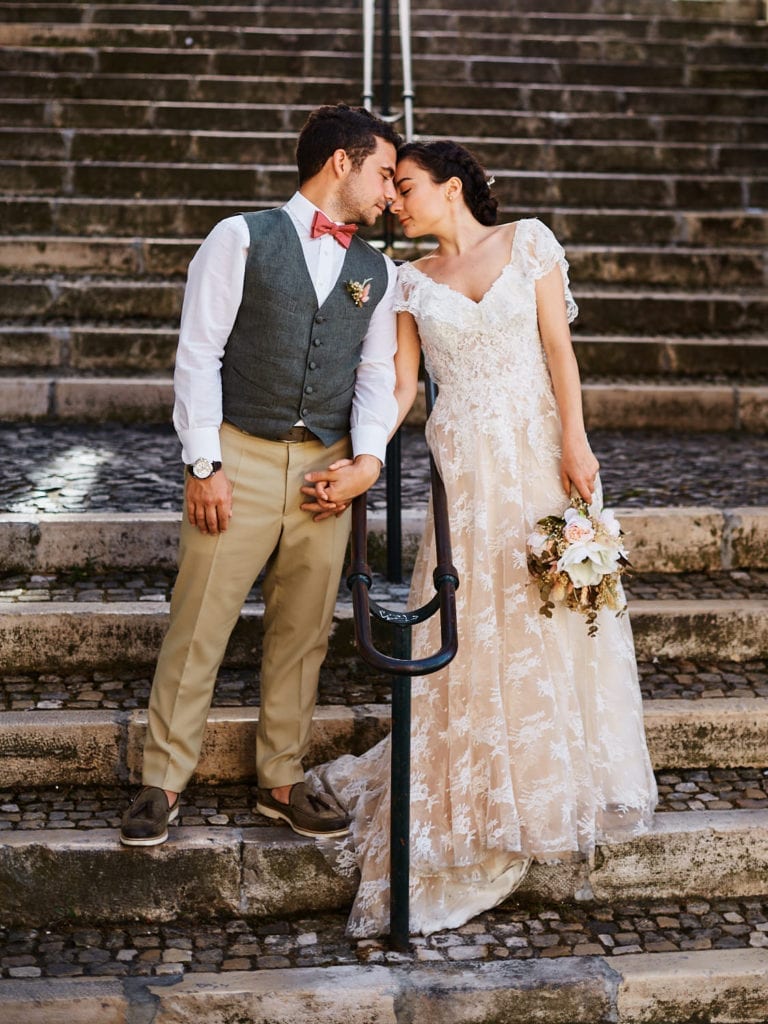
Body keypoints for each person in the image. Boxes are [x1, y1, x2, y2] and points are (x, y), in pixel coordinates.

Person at [311, 140, 658, 937]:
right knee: (476, 621)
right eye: (390, 188)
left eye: (406, 187)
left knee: (548, 609)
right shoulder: (407, 282)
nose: (394, 200)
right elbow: (401, 386)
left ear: (452, 187)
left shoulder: (528, 241)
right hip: (465, 468)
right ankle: (477, 788)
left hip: (537, 454)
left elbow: (558, 351)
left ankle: (546, 779)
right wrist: (366, 462)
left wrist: (576, 440)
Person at [120, 104, 402, 848]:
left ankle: (281, 780)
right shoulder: (240, 236)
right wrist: (204, 463)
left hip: (326, 469)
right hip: (237, 453)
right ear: (341, 161)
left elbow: (375, 376)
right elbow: (198, 354)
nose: (390, 193)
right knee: (199, 619)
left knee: (304, 630)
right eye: (381, 173)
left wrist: (362, 463)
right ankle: (162, 781)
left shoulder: (378, 270)